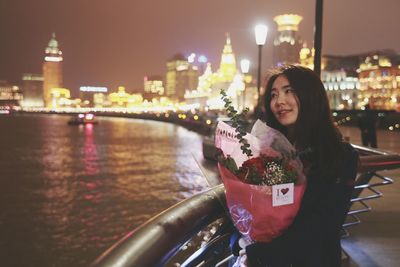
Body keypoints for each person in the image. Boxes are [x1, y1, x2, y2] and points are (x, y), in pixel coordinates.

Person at [232, 65, 359, 267]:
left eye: (289, 91)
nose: (279, 101)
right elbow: (243, 205)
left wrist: (258, 254)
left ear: (311, 96)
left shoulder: (340, 156)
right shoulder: (265, 153)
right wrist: (239, 241)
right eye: (273, 95)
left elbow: (324, 224)